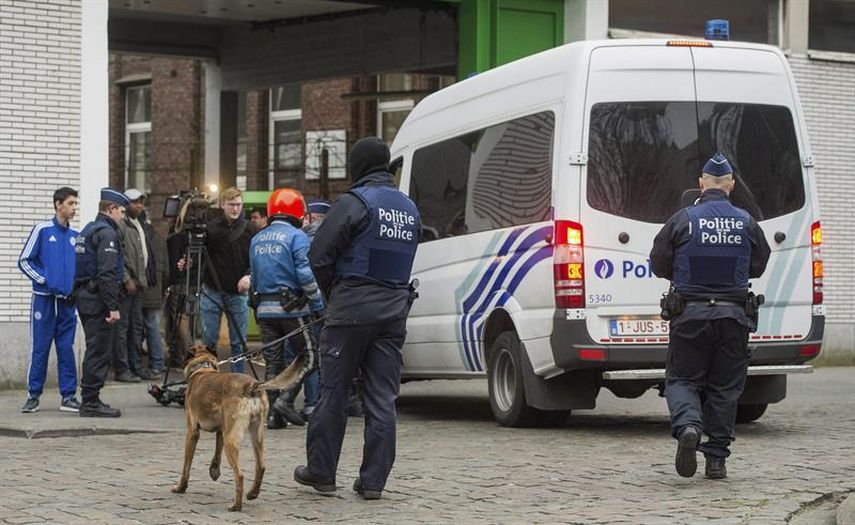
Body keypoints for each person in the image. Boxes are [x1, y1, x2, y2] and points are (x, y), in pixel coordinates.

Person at [294, 137, 420, 500]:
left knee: (333, 392)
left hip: (350, 311)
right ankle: (373, 482)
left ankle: (321, 471)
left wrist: (335, 292)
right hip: (394, 312)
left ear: (358, 166)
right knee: (382, 399)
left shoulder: (355, 202)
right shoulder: (409, 208)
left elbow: (318, 255)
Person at [650, 153, 771, 479]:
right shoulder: (746, 222)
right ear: (730, 185)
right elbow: (759, 265)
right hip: (733, 319)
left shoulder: (683, 219)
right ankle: (716, 460)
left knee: (682, 380)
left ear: (702, 184)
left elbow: (659, 263)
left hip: (690, 316)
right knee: (724, 389)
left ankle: (689, 425)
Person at [249, 188, 324, 430]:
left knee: (274, 363)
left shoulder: (257, 238)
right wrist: (318, 304)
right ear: (298, 211)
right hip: (292, 310)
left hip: (264, 311)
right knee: (311, 357)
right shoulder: (296, 236)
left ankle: (272, 416)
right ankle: (286, 400)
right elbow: (304, 273)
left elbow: (253, 277)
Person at [18, 187, 81, 413]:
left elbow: (80, 268)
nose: (74, 208)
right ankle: (33, 396)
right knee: (41, 348)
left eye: (75, 204)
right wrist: (46, 280)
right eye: (71, 203)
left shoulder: (76, 236)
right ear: (58, 204)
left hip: (67, 303)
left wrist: (75, 290)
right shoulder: (42, 230)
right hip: (44, 301)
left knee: (66, 349)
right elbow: (25, 260)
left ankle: (69, 396)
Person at [178, 187, 256, 372]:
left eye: (238, 205)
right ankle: (210, 378)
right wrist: (188, 261)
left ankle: (237, 381)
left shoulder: (250, 229)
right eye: (231, 205)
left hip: (238, 292)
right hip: (212, 290)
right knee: (209, 342)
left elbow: (256, 258)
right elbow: (199, 255)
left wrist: (249, 275)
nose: (235, 209)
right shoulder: (211, 228)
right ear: (223, 205)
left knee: (239, 343)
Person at [75, 188, 129, 418]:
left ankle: (89, 398)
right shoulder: (107, 234)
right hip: (98, 301)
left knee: (94, 348)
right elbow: (106, 274)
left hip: (85, 297)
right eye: (122, 211)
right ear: (111, 209)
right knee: (99, 351)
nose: (123, 216)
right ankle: (90, 401)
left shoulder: (87, 229)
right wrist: (113, 307)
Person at [113, 188, 156, 382]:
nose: (139, 205)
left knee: (137, 327)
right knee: (123, 328)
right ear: (125, 204)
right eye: (135, 202)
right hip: (127, 285)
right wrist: (125, 278)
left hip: (140, 284)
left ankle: (136, 366)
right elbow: (117, 255)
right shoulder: (121, 224)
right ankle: (123, 369)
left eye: (141, 201)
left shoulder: (141, 224)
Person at [141, 208, 168, 376]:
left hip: (142, 290)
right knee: (154, 327)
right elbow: (166, 271)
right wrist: (163, 288)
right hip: (157, 290)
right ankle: (158, 362)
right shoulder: (160, 240)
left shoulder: (140, 238)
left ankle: (149, 363)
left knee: (139, 328)